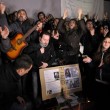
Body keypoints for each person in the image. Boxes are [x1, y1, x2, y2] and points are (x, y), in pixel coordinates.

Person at [83, 36, 110, 109]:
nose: (106, 43)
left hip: (107, 84)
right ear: (102, 43)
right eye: (105, 41)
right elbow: (94, 67)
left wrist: (102, 66)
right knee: (95, 103)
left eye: (108, 42)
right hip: (96, 82)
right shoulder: (97, 53)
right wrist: (89, 61)